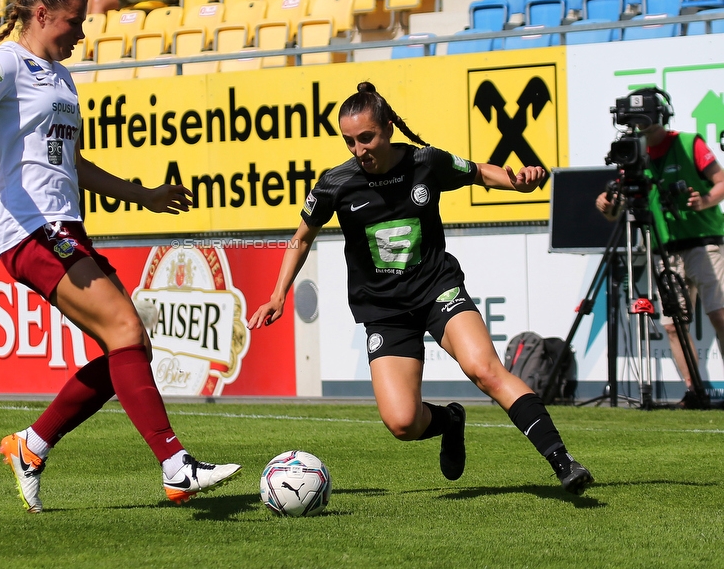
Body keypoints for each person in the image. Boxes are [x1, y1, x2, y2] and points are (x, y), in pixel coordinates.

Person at [0, 0, 241, 513]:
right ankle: (177, 467)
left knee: (128, 346)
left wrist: (144, 195)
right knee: (127, 329)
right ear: (41, 15)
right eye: (73, 22)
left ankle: (30, 447)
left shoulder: (61, 77)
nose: (80, 33)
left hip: (66, 228)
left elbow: (74, 163)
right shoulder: (8, 60)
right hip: (31, 231)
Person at [248, 82, 594, 495]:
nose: (359, 150)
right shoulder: (335, 184)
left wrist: (517, 183)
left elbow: (481, 171)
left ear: (389, 128)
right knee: (402, 423)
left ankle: (563, 462)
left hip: (437, 290)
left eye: (367, 138)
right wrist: (277, 294)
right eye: (350, 141)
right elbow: (301, 237)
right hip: (383, 310)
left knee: (485, 370)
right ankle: (450, 420)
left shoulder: (426, 162)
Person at [595, 87, 724, 410]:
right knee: (672, 324)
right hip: (664, 247)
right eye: (637, 125)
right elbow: (615, 211)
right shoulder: (632, 155)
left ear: (661, 118)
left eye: (647, 123)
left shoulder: (689, 142)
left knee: (720, 315)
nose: (642, 130)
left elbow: (721, 180)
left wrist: (704, 200)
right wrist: (606, 204)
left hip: (703, 241)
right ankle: (694, 390)